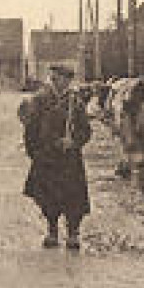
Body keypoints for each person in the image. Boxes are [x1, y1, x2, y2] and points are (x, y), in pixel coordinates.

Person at [18, 63, 92, 250]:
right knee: (48, 198)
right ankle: (52, 231)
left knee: (73, 197)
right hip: (46, 157)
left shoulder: (76, 103)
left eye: (61, 78)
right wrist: (33, 152)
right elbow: (30, 128)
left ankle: (73, 233)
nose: (56, 81)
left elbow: (86, 130)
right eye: (54, 78)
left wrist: (74, 141)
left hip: (69, 159)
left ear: (68, 81)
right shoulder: (40, 100)